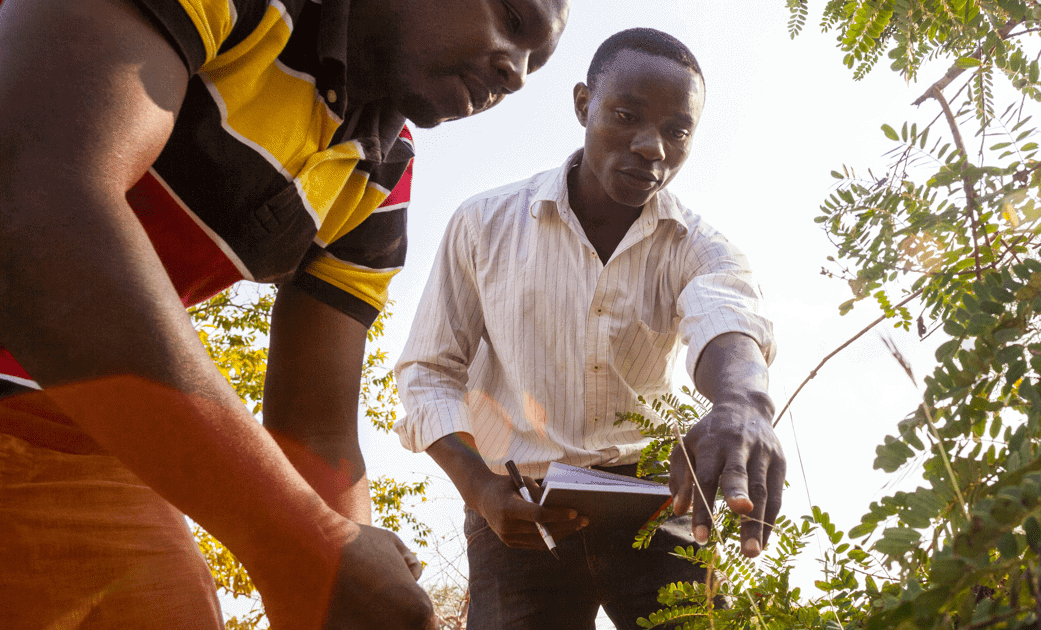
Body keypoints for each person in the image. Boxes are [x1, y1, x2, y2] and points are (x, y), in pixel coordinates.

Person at [0, 0, 568, 628]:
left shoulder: (380, 175)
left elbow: (315, 429)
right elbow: (36, 205)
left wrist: (346, 571)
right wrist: (305, 539)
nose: (516, 72)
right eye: (513, 21)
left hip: (74, 427)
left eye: (533, 64)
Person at [394, 27, 786, 629]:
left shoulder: (700, 247)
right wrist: (480, 490)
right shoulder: (483, 225)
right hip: (518, 510)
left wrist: (743, 401)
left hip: (657, 508)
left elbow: (728, 317)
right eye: (626, 116)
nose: (653, 147)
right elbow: (428, 373)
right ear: (583, 105)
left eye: (677, 131)